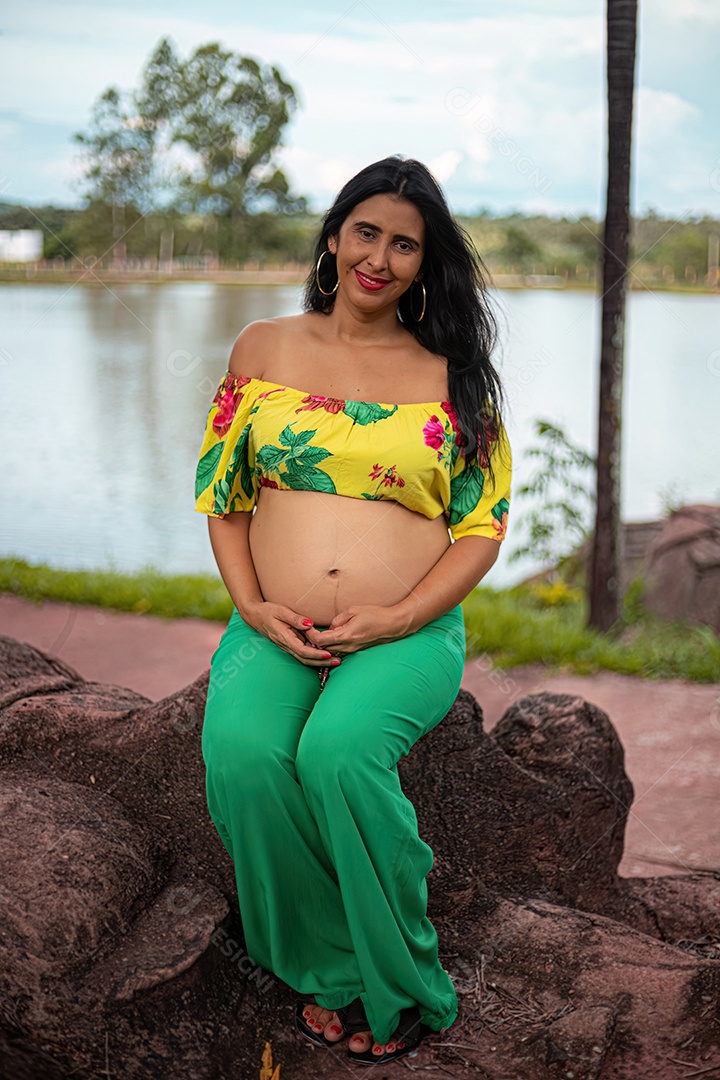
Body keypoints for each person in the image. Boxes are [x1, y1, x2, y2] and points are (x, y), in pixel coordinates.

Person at [194, 155, 512, 1066]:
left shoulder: (454, 377)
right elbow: (226, 497)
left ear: (425, 263)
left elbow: (481, 531)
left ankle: (409, 981)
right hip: (275, 624)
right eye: (366, 232)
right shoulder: (261, 348)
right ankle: (333, 967)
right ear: (334, 237)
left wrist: (401, 617)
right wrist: (251, 606)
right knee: (246, 755)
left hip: (405, 632)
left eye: (404, 244)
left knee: (336, 755)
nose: (380, 256)